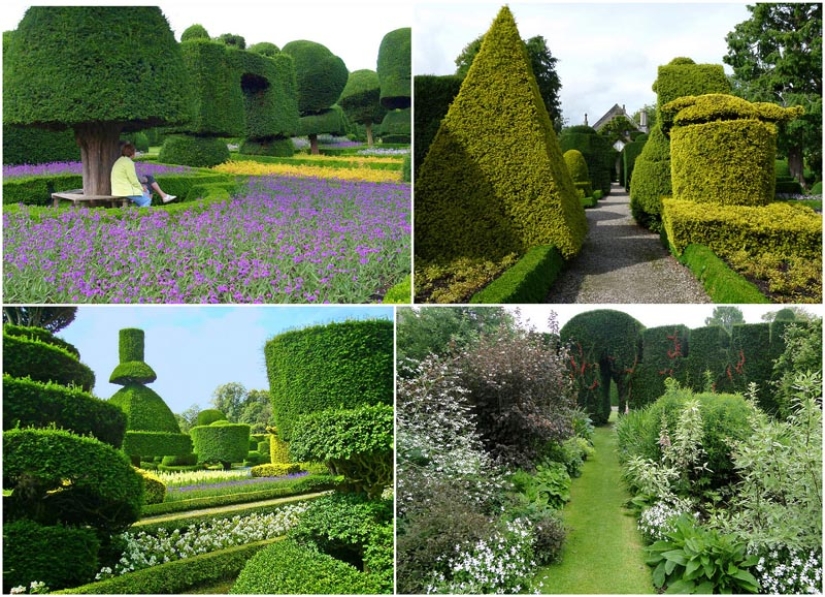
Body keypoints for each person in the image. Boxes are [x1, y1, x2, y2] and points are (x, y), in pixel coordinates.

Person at [111, 142, 176, 206]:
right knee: (147, 200)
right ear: (132, 153)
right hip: (124, 190)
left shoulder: (120, 160)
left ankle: (136, 213)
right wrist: (141, 187)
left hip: (118, 189)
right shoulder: (128, 163)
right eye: (135, 152)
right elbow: (133, 180)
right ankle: (142, 215)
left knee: (146, 192)